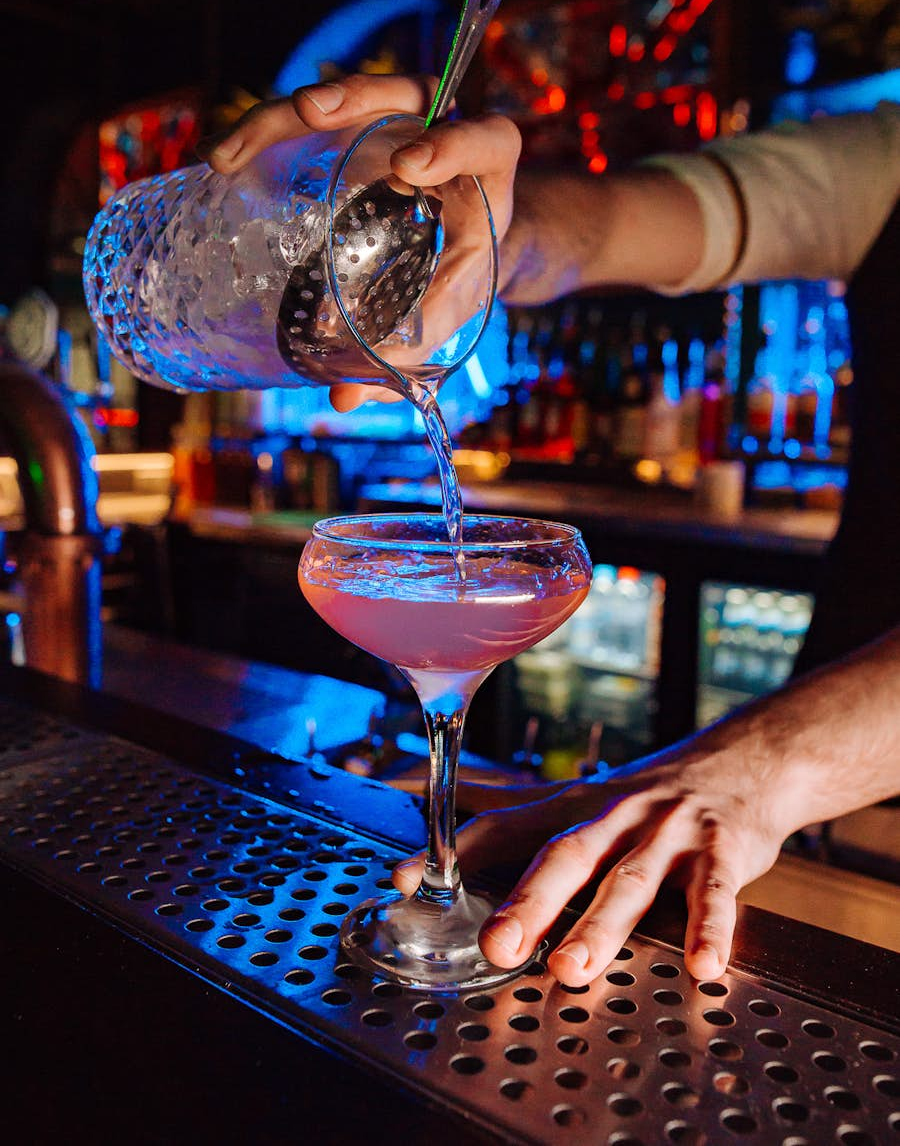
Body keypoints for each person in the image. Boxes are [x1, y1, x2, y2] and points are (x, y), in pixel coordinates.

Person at [203, 76, 900, 985]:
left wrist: (766, 759)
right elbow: (617, 221)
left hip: (800, 782)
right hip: (793, 825)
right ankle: (444, 887)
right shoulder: (886, 158)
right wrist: (478, 229)